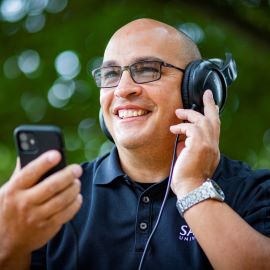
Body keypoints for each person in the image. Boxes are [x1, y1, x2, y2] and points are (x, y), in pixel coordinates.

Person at [0, 18, 270, 270]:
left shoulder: (254, 192)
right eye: (110, 75)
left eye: (147, 70)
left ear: (198, 90)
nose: (122, 89)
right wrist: (9, 241)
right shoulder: (55, 198)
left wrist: (192, 188)